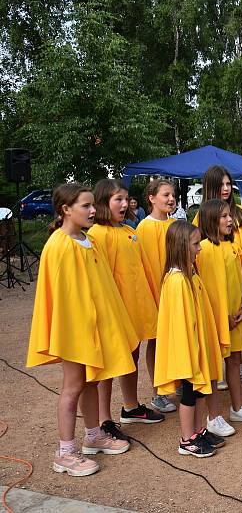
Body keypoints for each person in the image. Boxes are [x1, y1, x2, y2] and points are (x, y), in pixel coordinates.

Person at [28, 183, 136, 476]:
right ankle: (64, 452)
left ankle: (93, 436)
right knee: (73, 386)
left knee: (91, 381)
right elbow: (66, 298)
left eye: (92, 205)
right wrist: (81, 330)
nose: (93, 210)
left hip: (93, 328)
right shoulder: (59, 245)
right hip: (75, 332)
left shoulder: (87, 240)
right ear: (66, 210)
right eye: (86, 206)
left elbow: (100, 288)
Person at [89, 180, 164, 442]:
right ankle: (103, 420)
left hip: (134, 309)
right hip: (114, 311)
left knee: (132, 355)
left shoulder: (128, 231)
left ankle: (130, 407)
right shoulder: (97, 234)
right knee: (109, 366)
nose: (123, 204)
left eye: (125, 199)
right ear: (102, 203)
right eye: (117, 200)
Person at [153, 221, 225, 458]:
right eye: (195, 244)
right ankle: (187, 439)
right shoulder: (176, 281)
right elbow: (179, 323)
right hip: (187, 349)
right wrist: (190, 352)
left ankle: (199, 431)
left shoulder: (190, 275)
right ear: (181, 246)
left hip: (198, 344)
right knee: (189, 394)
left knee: (201, 391)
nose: (200, 248)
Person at [195, 199, 242, 431]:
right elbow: (209, 288)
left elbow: (241, 279)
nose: (229, 220)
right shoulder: (204, 249)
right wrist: (222, 315)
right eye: (223, 217)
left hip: (236, 315)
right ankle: (213, 416)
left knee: (235, 361)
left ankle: (237, 407)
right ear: (210, 220)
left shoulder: (234, 246)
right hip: (217, 319)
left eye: (229, 216)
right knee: (215, 367)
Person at [194, 165, 242, 388]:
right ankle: (217, 372)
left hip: (238, 279)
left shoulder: (241, 213)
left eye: (229, 184)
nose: (226, 188)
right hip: (216, 285)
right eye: (221, 184)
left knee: (237, 336)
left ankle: (236, 366)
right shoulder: (202, 218)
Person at [136, 179, 177, 414]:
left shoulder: (173, 225)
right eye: (165, 195)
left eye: (172, 195)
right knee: (156, 341)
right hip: (156, 293)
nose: (170, 199)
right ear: (151, 198)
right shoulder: (144, 228)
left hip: (175, 290)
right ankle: (158, 391)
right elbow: (146, 265)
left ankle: (177, 382)